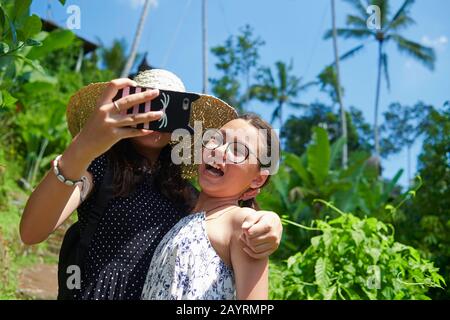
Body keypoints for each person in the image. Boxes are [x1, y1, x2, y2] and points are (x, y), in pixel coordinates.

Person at [19, 69, 283, 300]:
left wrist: (270, 222)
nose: (155, 118)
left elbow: (224, 219)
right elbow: (32, 232)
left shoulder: (184, 195)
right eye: (146, 106)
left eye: (167, 110)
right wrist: (84, 146)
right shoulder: (100, 169)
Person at [141, 113, 279, 300]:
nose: (220, 150)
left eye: (237, 150)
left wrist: (272, 220)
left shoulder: (242, 223)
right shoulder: (183, 214)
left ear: (257, 179)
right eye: (216, 139)